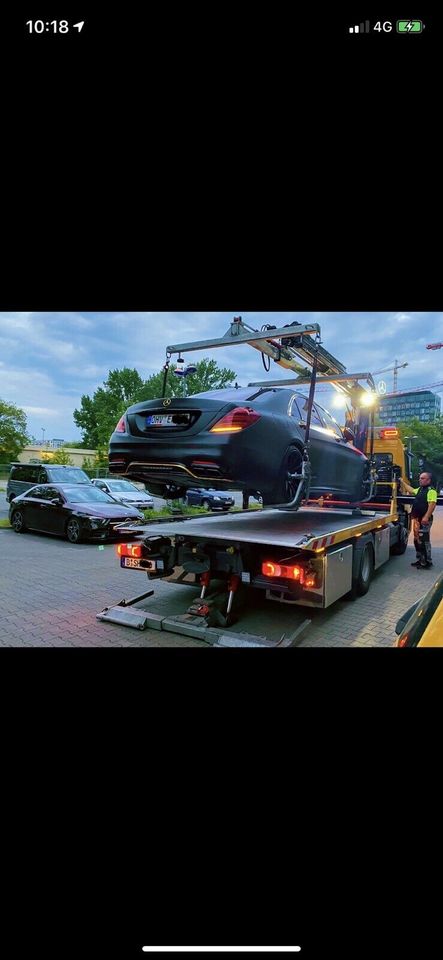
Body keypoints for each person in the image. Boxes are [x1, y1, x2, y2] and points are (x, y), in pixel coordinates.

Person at [399, 471, 437, 569]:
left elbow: (432, 504)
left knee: (424, 540)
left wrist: (426, 517)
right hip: (417, 519)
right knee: (417, 540)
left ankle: (427, 562)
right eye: (420, 478)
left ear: (428, 480)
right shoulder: (420, 489)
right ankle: (420, 560)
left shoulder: (431, 491)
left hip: (424, 520)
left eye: (422, 478)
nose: (420, 480)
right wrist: (402, 482)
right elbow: (411, 490)